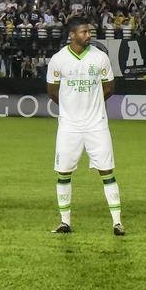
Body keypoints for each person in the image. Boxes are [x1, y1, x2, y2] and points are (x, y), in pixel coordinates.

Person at [45, 17, 124, 236]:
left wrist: (91, 105)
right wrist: (71, 106)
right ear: (72, 35)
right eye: (83, 32)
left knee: (107, 170)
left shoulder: (100, 58)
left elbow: (109, 88)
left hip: (96, 124)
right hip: (69, 126)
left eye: (89, 32)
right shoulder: (58, 59)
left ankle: (117, 222)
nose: (88, 35)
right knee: (63, 172)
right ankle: (64, 222)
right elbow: (52, 91)